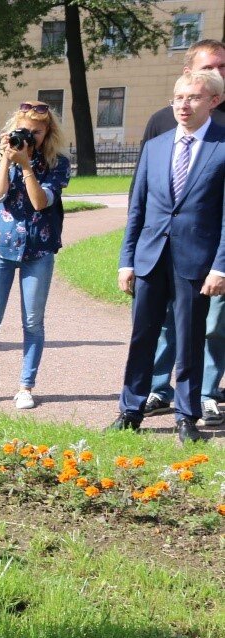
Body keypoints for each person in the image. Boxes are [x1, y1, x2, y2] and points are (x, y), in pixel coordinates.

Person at [112, 70, 225, 444]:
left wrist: (220, 266)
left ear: (214, 101)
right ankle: (130, 410)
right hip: (149, 257)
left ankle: (186, 417)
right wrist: (126, 260)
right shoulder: (155, 146)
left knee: (189, 338)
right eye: (179, 97)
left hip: (196, 261)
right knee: (141, 335)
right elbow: (138, 209)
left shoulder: (222, 146)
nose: (183, 104)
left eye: (193, 97)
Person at [139, 39, 225, 425]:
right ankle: (159, 388)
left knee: (211, 324)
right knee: (159, 324)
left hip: (206, 251)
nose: (218, 73)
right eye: (211, 66)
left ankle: (204, 393)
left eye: (223, 67)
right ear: (187, 70)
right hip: (160, 247)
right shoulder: (163, 119)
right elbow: (143, 189)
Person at [0, 101, 72, 411]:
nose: (28, 137)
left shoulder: (59, 164)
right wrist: (5, 160)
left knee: (32, 323)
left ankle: (26, 387)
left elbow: (41, 203)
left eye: (36, 132)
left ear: (48, 133)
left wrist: (27, 166)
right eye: (23, 131)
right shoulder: (4, 156)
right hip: (0, 249)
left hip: (38, 251)